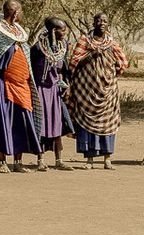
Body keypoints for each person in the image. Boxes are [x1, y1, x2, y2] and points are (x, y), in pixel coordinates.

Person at [0, 0, 40, 172]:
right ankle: (2, 161)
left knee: (22, 122)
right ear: (15, 12)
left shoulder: (19, 32)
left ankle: (18, 162)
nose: (22, 14)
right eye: (21, 11)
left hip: (21, 86)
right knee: (2, 121)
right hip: (2, 85)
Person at [66, 12, 128, 168]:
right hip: (86, 91)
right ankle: (90, 159)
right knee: (86, 125)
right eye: (98, 20)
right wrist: (91, 55)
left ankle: (107, 158)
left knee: (108, 125)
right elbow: (74, 63)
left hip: (108, 92)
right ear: (93, 23)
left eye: (105, 20)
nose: (101, 22)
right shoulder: (84, 41)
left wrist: (109, 73)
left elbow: (123, 63)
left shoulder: (112, 43)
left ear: (108, 24)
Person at [30, 15, 73, 170]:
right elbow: (30, 70)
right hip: (40, 91)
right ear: (54, 31)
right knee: (41, 125)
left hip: (55, 91)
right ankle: (40, 160)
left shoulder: (63, 46)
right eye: (63, 30)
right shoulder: (37, 48)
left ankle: (59, 160)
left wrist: (66, 85)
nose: (65, 32)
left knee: (57, 125)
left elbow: (64, 69)